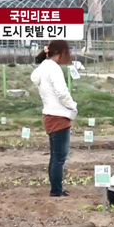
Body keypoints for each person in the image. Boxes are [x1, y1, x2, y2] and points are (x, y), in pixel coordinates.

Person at [31, 41, 77, 197]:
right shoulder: (54, 69)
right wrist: (73, 106)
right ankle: (56, 190)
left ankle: (56, 188)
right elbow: (62, 93)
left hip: (49, 115)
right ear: (60, 52)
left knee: (55, 156)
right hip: (59, 116)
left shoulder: (43, 67)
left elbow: (34, 77)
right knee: (60, 157)